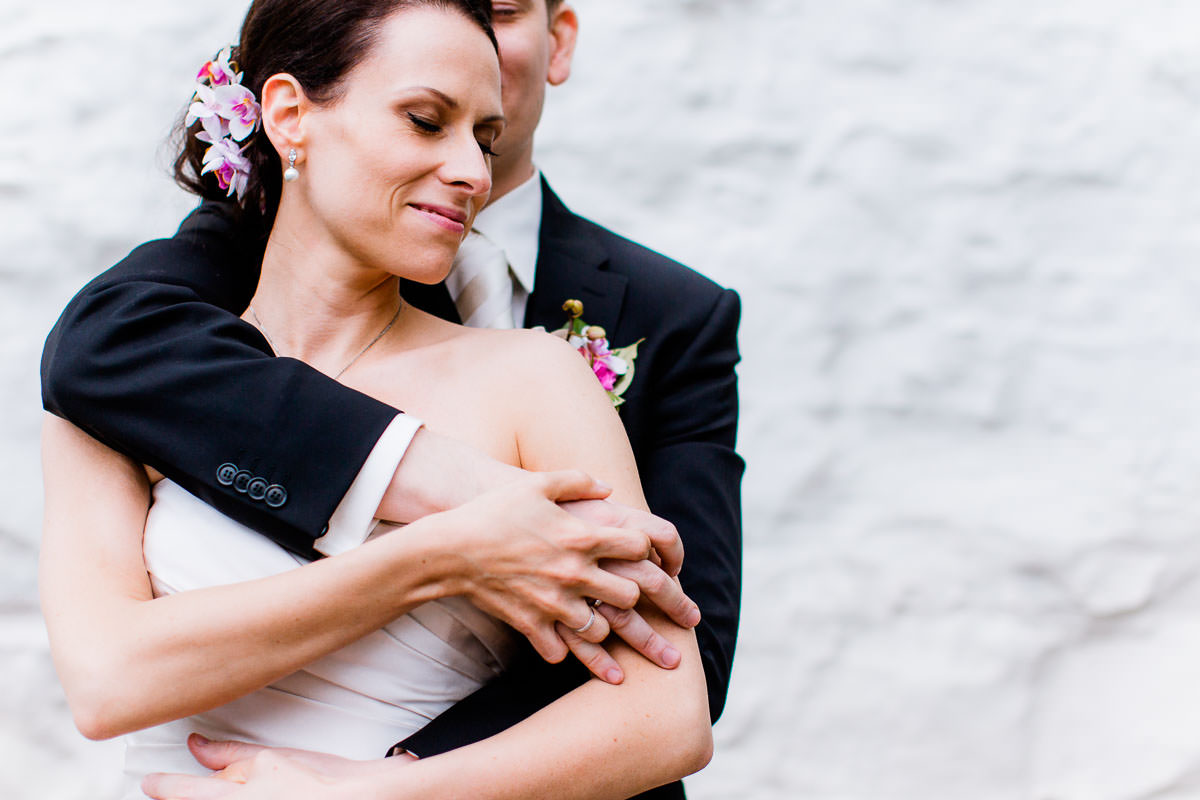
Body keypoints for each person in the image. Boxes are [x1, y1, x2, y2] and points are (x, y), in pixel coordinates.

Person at [41, 0, 743, 797]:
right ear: (288, 115)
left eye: (484, 138)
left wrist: (362, 794)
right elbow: (106, 683)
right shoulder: (135, 383)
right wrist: (438, 555)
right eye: (424, 121)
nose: (474, 172)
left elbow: (668, 710)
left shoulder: (537, 378)